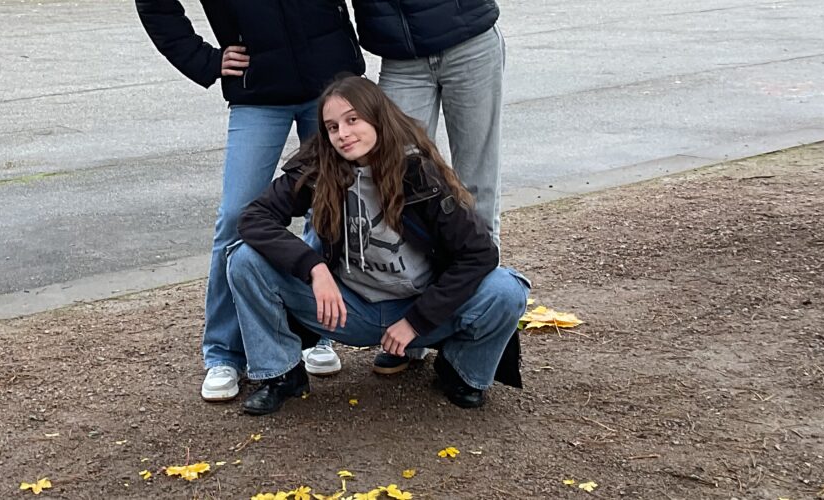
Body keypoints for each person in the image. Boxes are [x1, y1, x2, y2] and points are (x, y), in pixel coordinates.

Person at [227, 76, 528, 416]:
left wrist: (417, 321)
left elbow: (480, 253)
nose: (343, 133)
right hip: (347, 309)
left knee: (507, 289)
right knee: (244, 258)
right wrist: (314, 268)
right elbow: (254, 218)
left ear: (377, 118)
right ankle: (282, 375)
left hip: (416, 310)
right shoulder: (320, 166)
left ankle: (460, 371)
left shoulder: (420, 173)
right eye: (332, 126)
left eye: (353, 119)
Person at [133, 0, 365, 402]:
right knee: (237, 217)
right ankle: (224, 353)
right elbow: (155, 5)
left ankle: (315, 334)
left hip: (331, 84)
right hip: (259, 90)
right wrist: (202, 60)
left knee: (327, 210)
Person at [351, 0, 509, 375]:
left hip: (467, 40)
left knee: (475, 188)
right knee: (396, 185)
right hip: (400, 57)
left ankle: (474, 327)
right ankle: (414, 330)